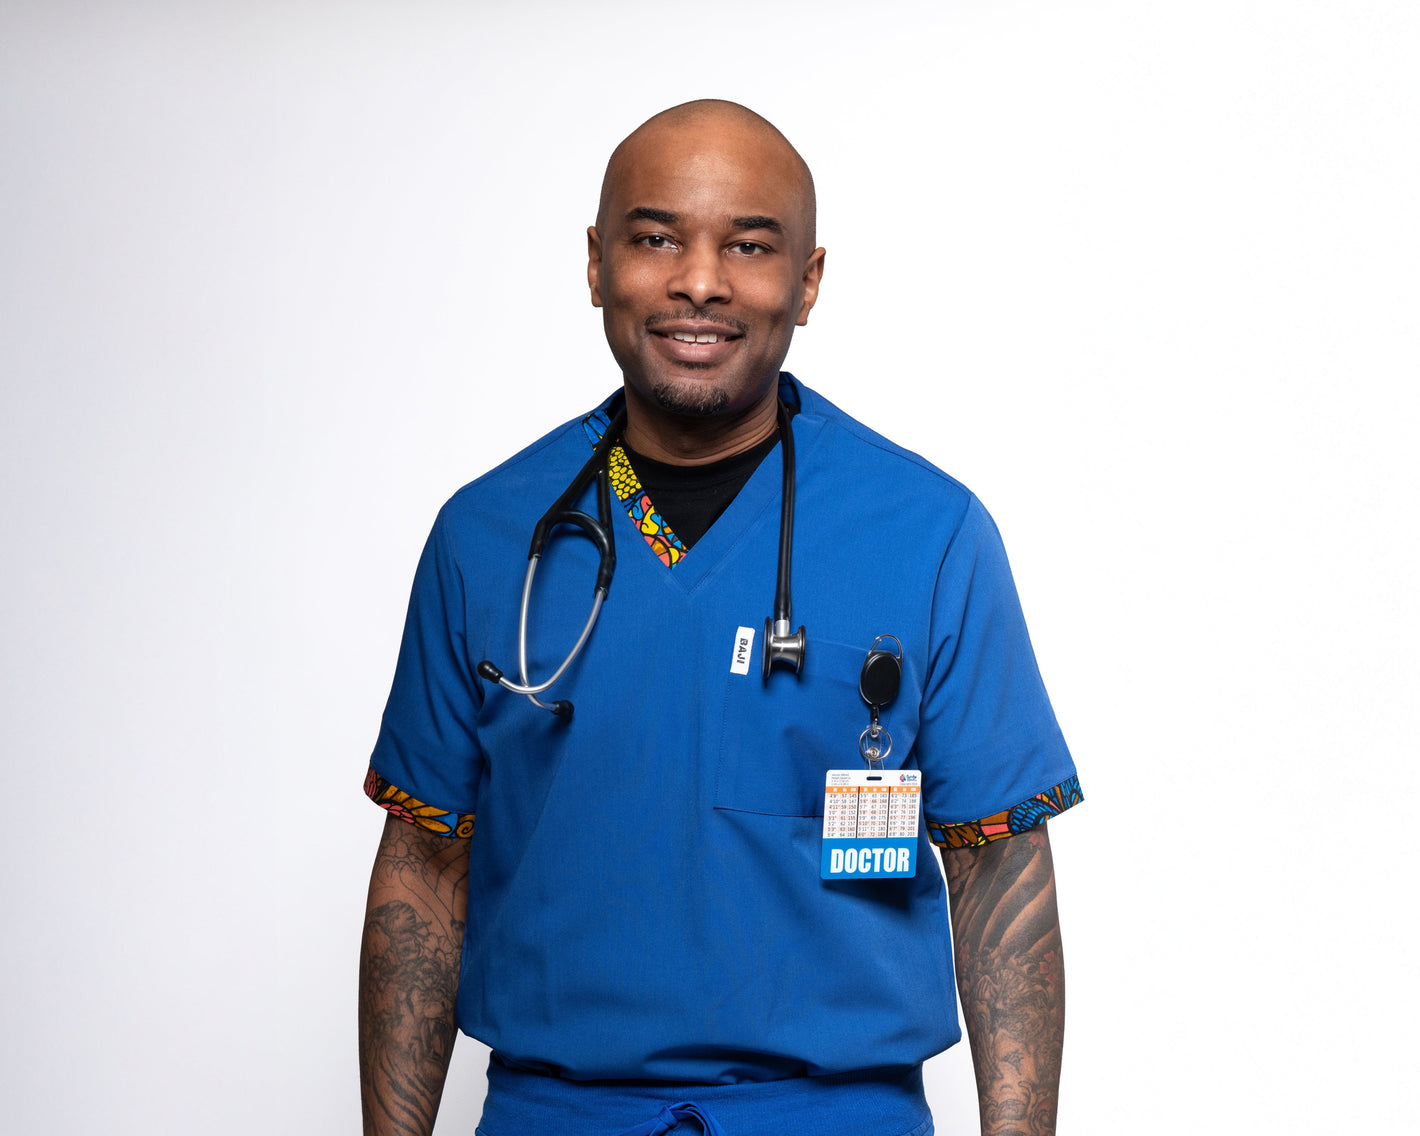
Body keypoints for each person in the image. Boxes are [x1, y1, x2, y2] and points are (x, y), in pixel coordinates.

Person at [359, 99, 1081, 1136]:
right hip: (555, 1110)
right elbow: (424, 861)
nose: (699, 279)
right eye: (656, 238)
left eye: (748, 245)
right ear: (598, 262)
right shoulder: (486, 534)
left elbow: (997, 860)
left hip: (837, 1113)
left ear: (809, 280)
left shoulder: (928, 535)